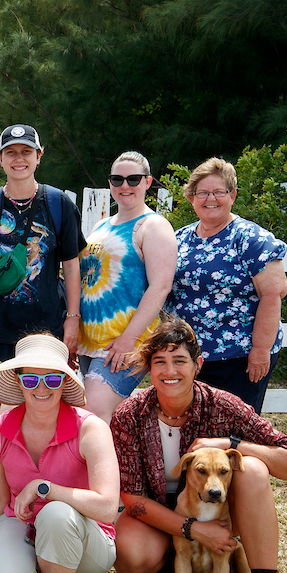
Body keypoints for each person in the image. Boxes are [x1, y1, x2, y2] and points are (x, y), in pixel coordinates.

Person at [110, 315, 287, 573]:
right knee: (130, 556)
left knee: (255, 471)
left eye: (179, 360)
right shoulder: (129, 414)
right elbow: (131, 496)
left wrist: (229, 443)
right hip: (167, 518)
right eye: (159, 362)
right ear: (148, 369)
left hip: (220, 517)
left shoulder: (223, 405)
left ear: (198, 364)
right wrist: (194, 529)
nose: (169, 370)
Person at [0, 334, 119, 573]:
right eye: (31, 378)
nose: (41, 388)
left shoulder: (91, 428)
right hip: (24, 528)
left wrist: (46, 489)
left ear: (64, 380)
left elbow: (108, 506)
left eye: (52, 378)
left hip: (88, 545)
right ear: (18, 381)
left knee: (56, 513)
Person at [167, 157, 287, 413]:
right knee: (193, 426)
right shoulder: (178, 239)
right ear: (191, 198)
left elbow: (273, 292)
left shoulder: (251, 238)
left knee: (233, 428)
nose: (210, 198)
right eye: (202, 192)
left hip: (238, 357)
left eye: (218, 192)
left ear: (232, 195)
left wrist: (260, 350)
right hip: (188, 356)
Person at [0, 125, 84, 363]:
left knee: (43, 394)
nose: (19, 159)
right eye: (11, 152)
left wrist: (72, 319)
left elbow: (71, 266)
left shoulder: (59, 205)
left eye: (26, 152)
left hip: (48, 330)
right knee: (0, 399)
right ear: (0, 159)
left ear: (39, 156)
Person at [77, 151, 176, 422]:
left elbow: (160, 286)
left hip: (125, 341)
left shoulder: (153, 225)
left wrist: (128, 339)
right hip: (91, 340)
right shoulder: (101, 225)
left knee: (94, 413)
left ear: (147, 182)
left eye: (133, 179)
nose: (124, 186)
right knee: (96, 419)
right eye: (116, 179)